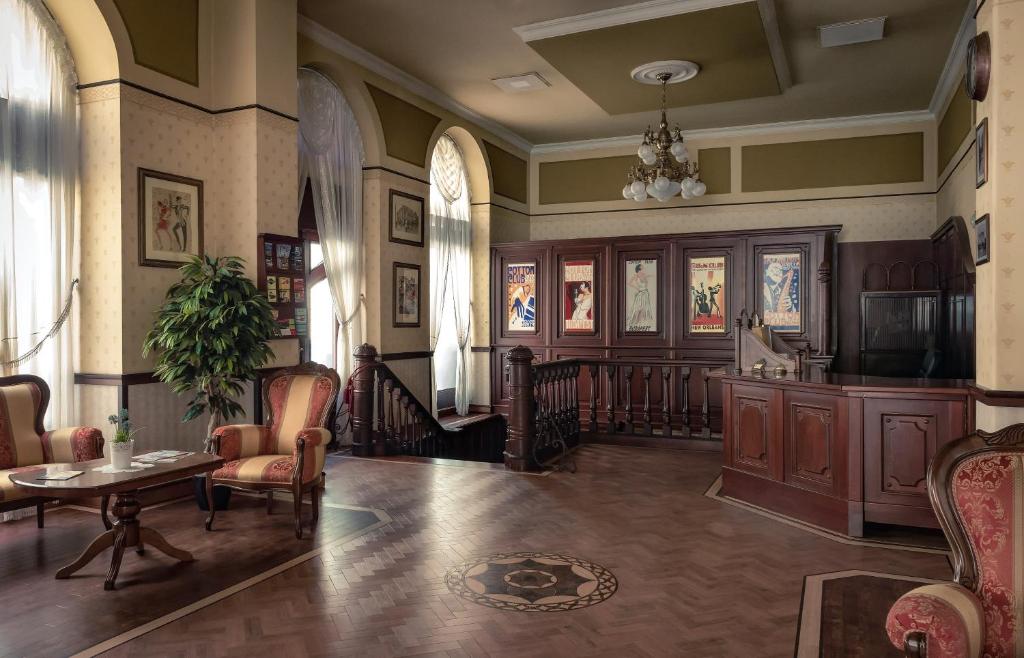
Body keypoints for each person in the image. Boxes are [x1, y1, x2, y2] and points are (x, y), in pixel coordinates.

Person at [627, 263, 652, 329]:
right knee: (638, 308)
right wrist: (636, 288)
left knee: (644, 309)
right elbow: (629, 283)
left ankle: (640, 324)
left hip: (645, 293)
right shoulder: (636, 276)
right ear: (639, 269)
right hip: (640, 294)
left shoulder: (644, 275)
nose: (643, 269)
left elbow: (650, 276)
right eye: (642, 268)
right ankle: (635, 323)